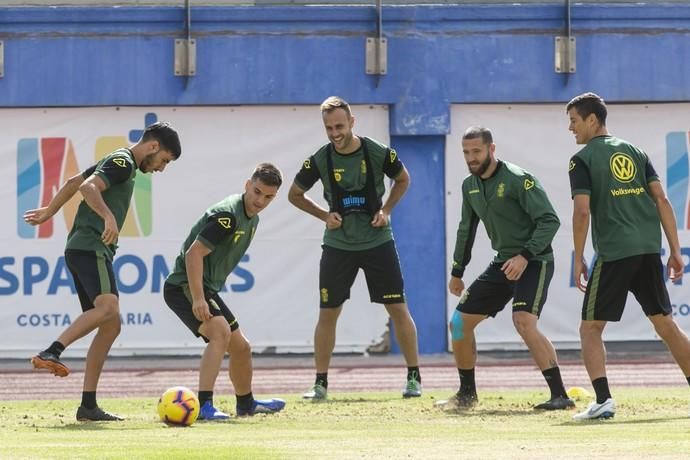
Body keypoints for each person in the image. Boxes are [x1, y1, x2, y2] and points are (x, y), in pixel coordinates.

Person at [26, 121, 182, 421]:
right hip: (90, 247)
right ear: (153, 146)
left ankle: (88, 406)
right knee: (109, 306)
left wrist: (49, 211)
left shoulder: (119, 159)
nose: (162, 168)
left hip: (86, 248)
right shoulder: (123, 162)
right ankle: (52, 351)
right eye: (164, 161)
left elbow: (73, 180)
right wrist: (108, 216)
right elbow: (86, 187)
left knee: (111, 324)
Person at [287, 96, 422, 400]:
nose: (335, 132)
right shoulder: (320, 158)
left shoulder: (376, 152)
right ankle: (320, 383)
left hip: (378, 242)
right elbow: (294, 194)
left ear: (351, 122)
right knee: (328, 313)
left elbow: (402, 179)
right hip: (338, 246)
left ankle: (414, 376)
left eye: (339, 125)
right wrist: (324, 215)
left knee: (398, 308)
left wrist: (386, 210)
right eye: (328, 127)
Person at [567, 92, 690, 420]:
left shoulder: (581, 160)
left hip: (615, 252)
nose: (570, 128)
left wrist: (579, 257)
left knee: (590, 328)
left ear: (593, 120)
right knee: (666, 325)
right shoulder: (636, 152)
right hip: (649, 250)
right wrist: (675, 251)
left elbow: (581, 213)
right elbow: (662, 200)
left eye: (574, 121)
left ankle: (604, 400)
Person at [437, 126, 573, 412]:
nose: (471, 158)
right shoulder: (469, 186)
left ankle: (560, 395)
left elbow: (550, 221)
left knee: (523, 321)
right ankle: (467, 395)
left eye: (476, 151)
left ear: (491, 149)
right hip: (503, 263)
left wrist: (525, 255)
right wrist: (457, 271)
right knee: (459, 325)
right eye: (466, 152)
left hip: (535, 260)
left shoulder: (518, 179)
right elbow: (466, 229)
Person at [163, 163, 286, 419]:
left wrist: (202, 293)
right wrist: (198, 298)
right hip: (183, 285)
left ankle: (246, 404)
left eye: (268, 197)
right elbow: (193, 254)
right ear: (247, 185)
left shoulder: (253, 218)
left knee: (241, 348)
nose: (260, 200)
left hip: (204, 286)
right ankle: (204, 406)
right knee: (219, 332)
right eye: (256, 192)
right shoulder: (227, 216)